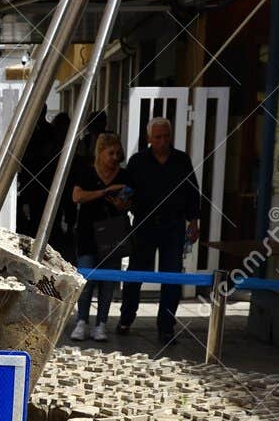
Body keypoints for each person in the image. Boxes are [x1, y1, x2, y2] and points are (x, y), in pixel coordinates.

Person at [118, 117, 202, 342]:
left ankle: (166, 327)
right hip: (145, 225)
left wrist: (193, 222)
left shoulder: (181, 160)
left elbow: (193, 192)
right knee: (136, 273)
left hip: (173, 226)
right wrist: (122, 200)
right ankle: (126, 318)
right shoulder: (138, 161)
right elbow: (127, 189)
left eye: (166, 136)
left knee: (171, 276)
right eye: (158, 137)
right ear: (149, 138)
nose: (163, 141)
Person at [66, 131, 129, 342]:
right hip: (87, 232)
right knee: (86, 279)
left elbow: (129, 203)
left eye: (117, 153)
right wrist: (104, 192)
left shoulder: (124, 175)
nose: (114, 157)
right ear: (100, 152)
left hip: (113, 232)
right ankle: (81, 321)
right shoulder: (87, 173)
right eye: (110, 153)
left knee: (108, 281)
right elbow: (77, 196)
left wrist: (121, 203)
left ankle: (102, 323)